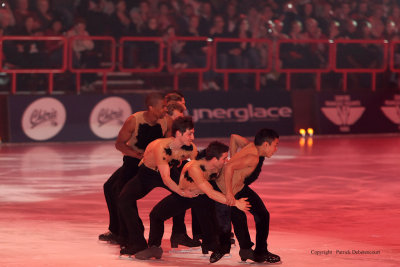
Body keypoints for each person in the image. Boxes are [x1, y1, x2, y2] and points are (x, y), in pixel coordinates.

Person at [134, 141, 250, 263]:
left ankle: (215, 245)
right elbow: (210, 192)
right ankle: (154, 248)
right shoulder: (194, 168)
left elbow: (227, 176)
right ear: (214, 159)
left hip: (202, 196)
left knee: (211, 214)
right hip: (186, 195)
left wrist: (230, 194)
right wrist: (236, 203)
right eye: (224, 158)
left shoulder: (219, 166)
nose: (226, 161)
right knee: (156, 215)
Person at [118, 116, 199, 255]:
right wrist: (182, 192)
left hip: (169, 169)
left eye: (193, 133)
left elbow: (198, 168)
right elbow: (166, 178)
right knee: (124, 199)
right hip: (147, 174)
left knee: (191, 195)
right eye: (189, 133)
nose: (193, 137)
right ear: (178, 133)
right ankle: (137, 243)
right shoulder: (161, 147)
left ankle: (175, 235)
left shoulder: (191, 149)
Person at [99, 92, 169, 244]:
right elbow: (119, 144)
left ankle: (123, 234)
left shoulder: (165, 121)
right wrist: (138, 156)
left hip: (152, 165)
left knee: (119, 193)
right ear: (151, 107)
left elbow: (168, 144)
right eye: (163, 106)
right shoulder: (134, 120)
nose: (165, 109)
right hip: (132, 162)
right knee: (114, 190)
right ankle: (121, 233)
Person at [214, 128, 281, 263]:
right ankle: (260, 252)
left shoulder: (250, 145)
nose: (276, 149)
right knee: (260, 215)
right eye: (275, 145)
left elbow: (233, 137)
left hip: (236, 187)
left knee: (256, 215)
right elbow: (228, 168)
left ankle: (249, 251)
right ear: (266, 145)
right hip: (231, 189)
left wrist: (232, 158)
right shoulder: (253, 158)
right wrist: (229, 193)